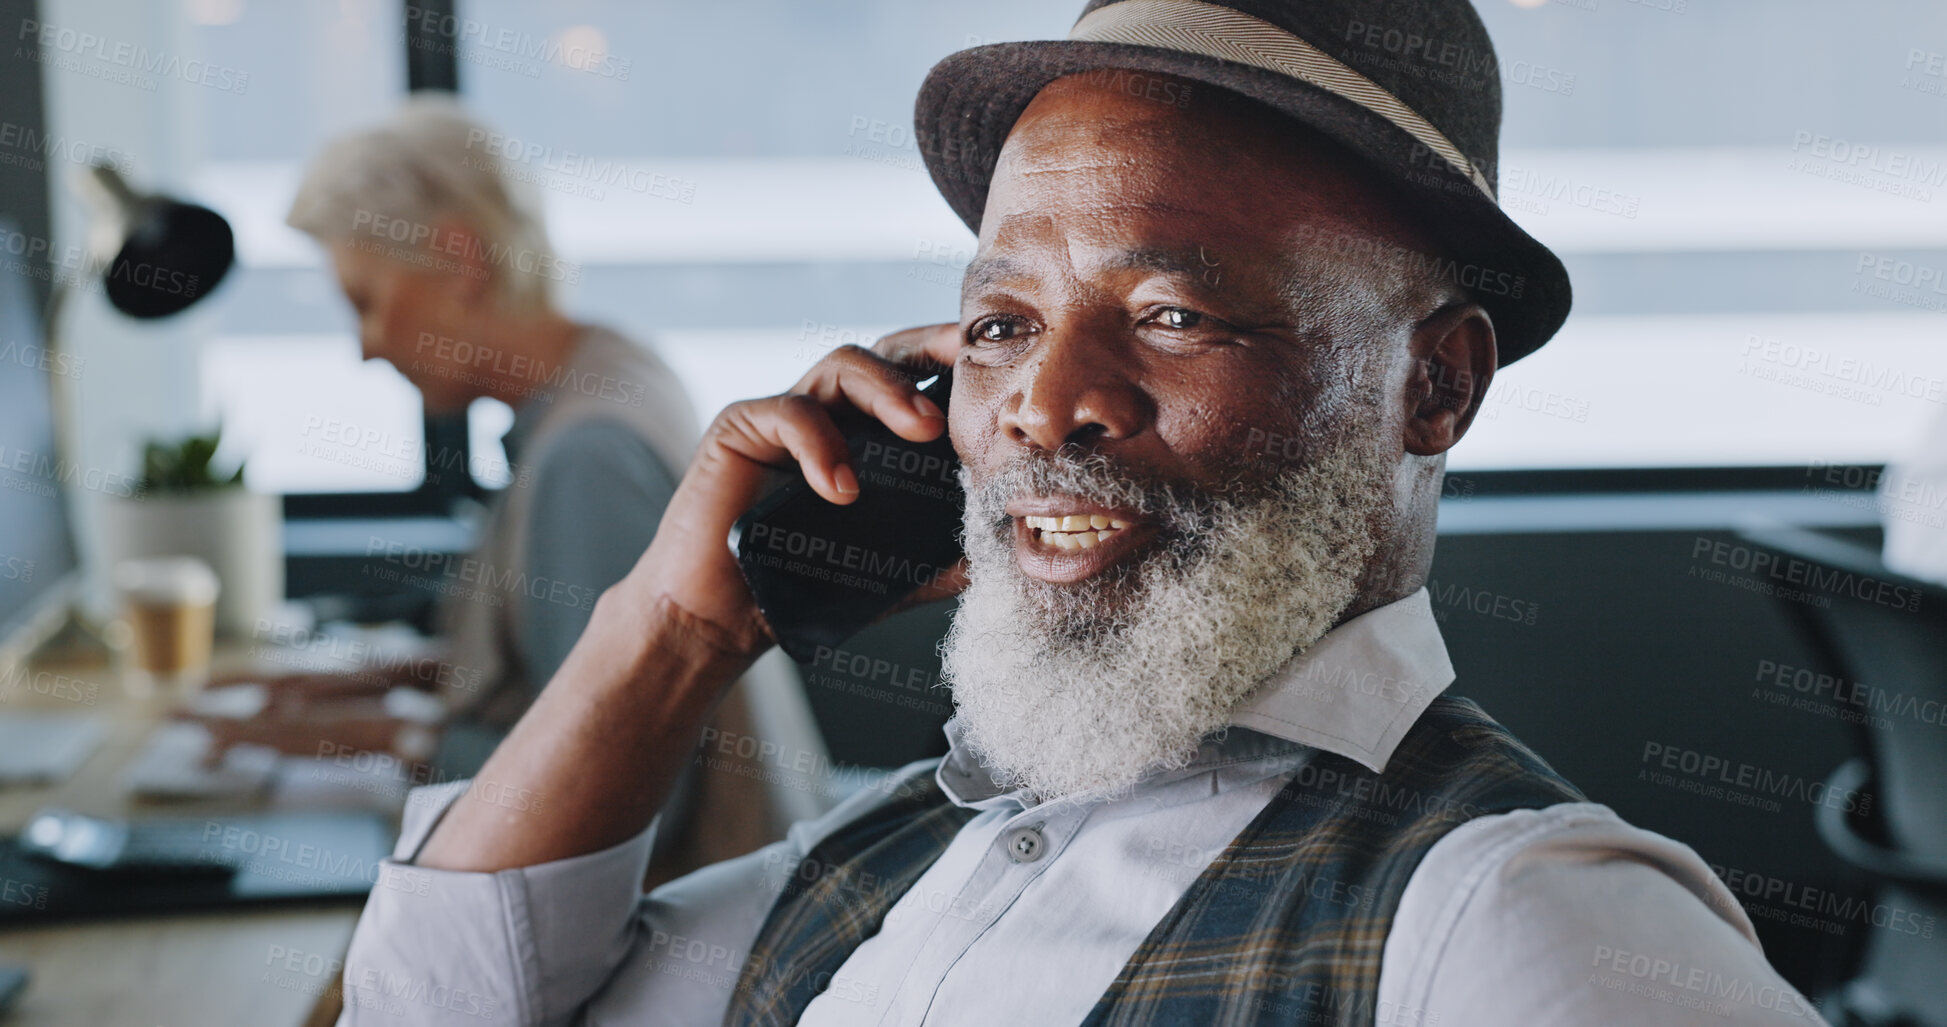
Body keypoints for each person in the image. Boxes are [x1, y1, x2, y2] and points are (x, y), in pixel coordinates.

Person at [334, 3, 1823, 1024]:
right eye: (994, 325)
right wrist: (667, 629)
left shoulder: (1506, 923)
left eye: (1171, 312)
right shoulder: (894, 852)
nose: (1046, 404)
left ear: (1430, 386)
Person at [221, 96, 828, 880]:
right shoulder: (613, 367)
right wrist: (376, 681)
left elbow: (622, 780)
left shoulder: (587, 456)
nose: (366, 348)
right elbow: (577, 673)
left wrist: (393, 736)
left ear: (460, 261)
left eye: (366, 302)